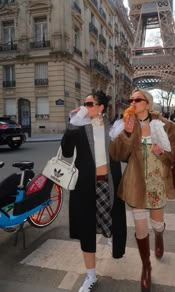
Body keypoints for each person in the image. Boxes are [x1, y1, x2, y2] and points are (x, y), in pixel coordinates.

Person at [109, 89, 175, 292]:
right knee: (140, 228)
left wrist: (162, 152)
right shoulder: (127, 124)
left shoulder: (166, 125)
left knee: (156, 223)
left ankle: (159, 234)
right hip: (135, 183)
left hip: (157, 183)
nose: (132, 102)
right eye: (130, 99)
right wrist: (125, 132)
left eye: (137, 99)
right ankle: (146, 266)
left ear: (148, 104)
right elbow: (116, 154)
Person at [61, 90, 127, 292]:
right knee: (87, 229)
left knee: (112, 221)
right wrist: (73, 123)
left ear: (101, 108)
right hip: (85, 186)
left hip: (109, 184)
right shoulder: (79, 127)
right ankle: (90, 276)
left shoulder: (113, 128)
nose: (85, 107)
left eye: (90, 104)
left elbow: (123, 155)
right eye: (85, 104)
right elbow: (66, 152)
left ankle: (109, 236)